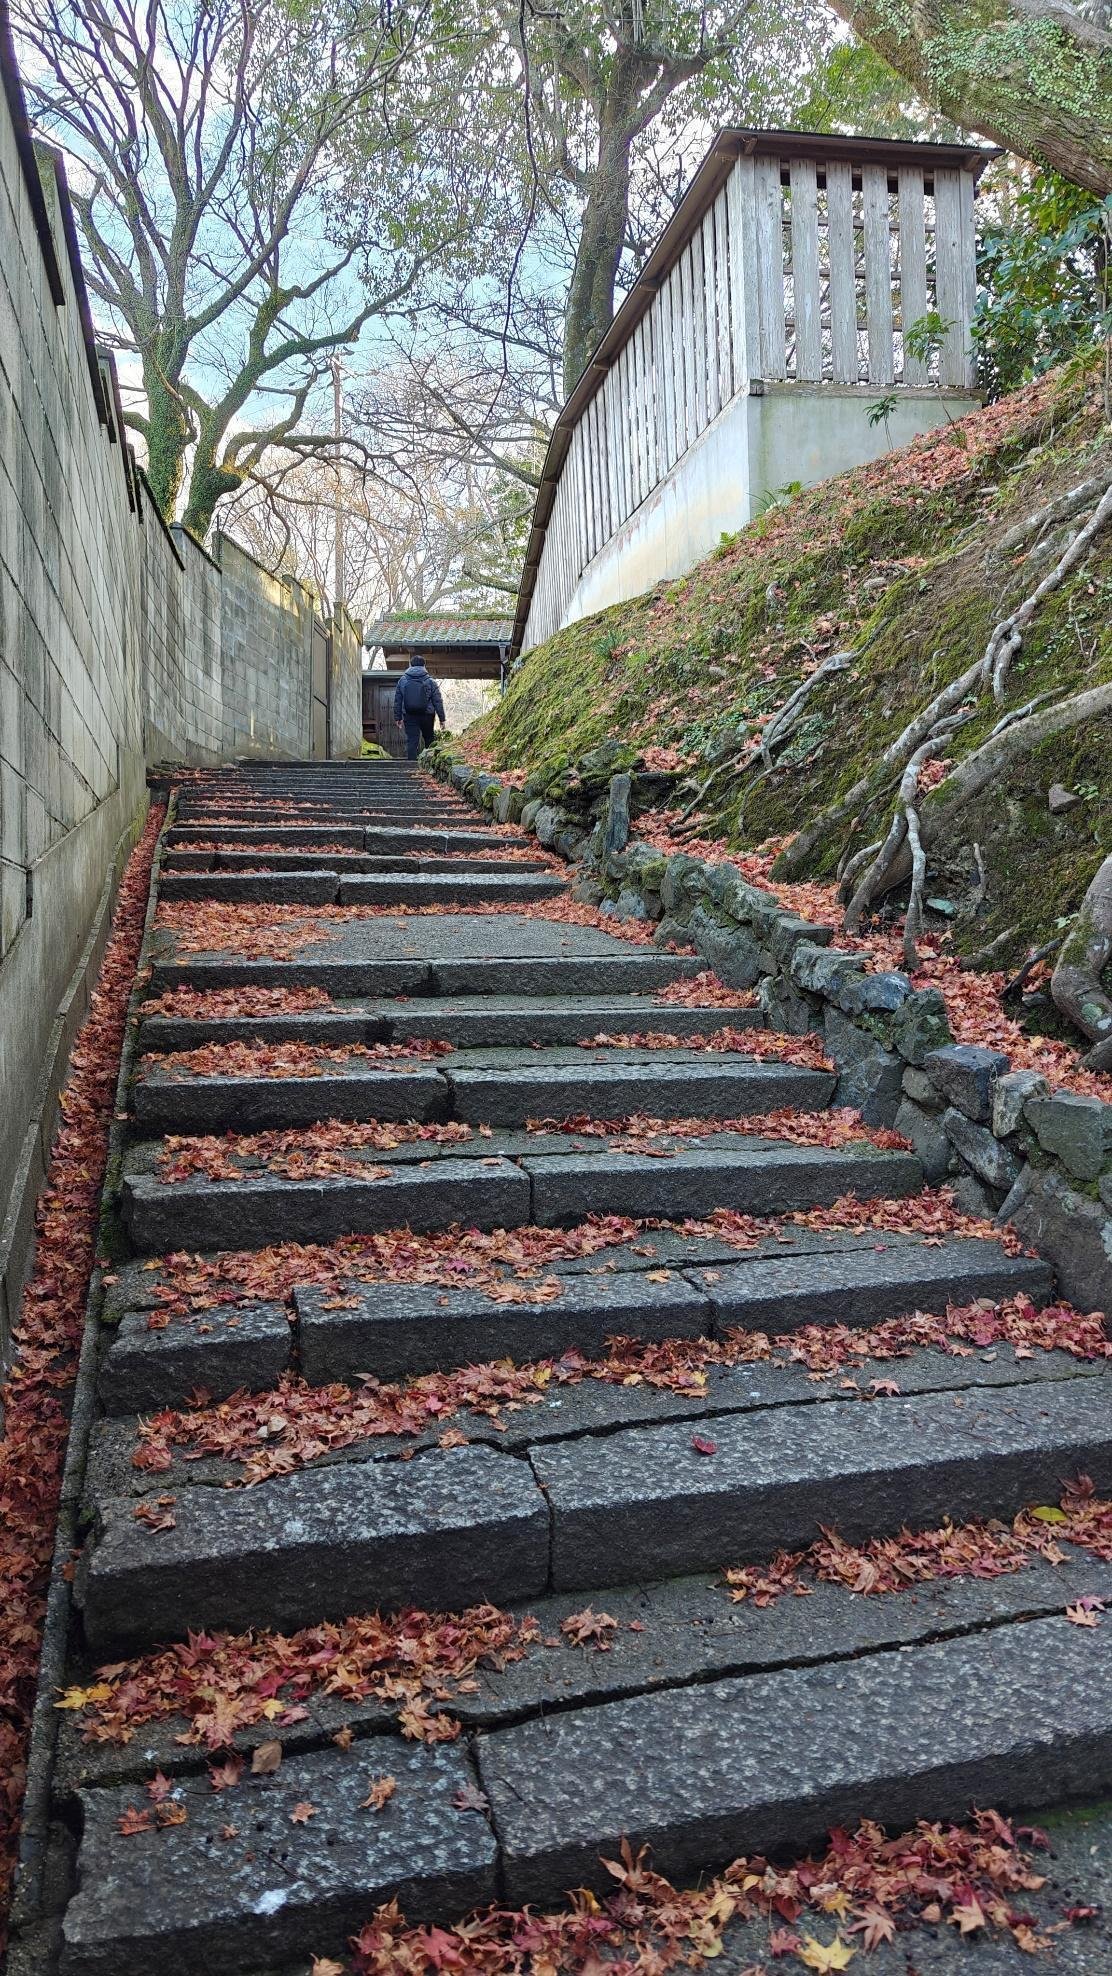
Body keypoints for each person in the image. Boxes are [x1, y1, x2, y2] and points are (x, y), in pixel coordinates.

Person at [393, 653, 447, 759]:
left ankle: (411, 767)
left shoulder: (402, 681)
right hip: (427, 715)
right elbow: (437, 701)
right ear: (424, 666)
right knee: (429, 739)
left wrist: (398, 718)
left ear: (411, 665)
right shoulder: (430, 681)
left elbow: (398, 700)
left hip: (409, 714)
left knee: (412, 740)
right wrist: (442, 718)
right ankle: (430, 764)